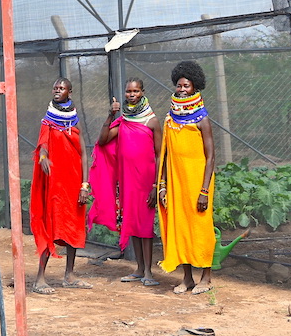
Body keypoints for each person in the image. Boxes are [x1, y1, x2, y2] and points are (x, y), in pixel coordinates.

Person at [88, 78, 163, 286]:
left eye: (136, 91)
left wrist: (156, 185)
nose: (131, 94)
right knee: (132, 224)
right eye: (129, 91)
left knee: (145, 226)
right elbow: (102, 140)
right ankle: (139, 269)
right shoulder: (123, 121)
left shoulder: (152, 121)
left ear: (142, 92)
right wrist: (111, 115)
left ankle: (149, 271)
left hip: (147, 182)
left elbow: (159, 155)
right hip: (128, 181)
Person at [156, 60, 216, 294]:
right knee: (180, 228)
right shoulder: (170, 118)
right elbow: (164, 155)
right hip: (176, 182)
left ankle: (206, 278)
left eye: (187, 86)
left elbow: (211, 157)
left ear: (195, 88)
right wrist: (162, 186)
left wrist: (204, 191)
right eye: (179, 85)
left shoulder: (202, 119)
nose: (182, 89)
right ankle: (188, 278)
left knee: (200, 227)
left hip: (197, 183)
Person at [30, 77, 92, 294]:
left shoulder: (74, 122)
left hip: (74, 184)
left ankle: (70, 275)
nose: (57, 90)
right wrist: (43, 158)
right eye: (55, 87)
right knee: (50, 225)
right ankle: (39, 279)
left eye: (61, 88)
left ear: (70, 92)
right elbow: (43, 146)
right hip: (55, 185)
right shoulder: (47, 121)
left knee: (74, 225)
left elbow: (84, 154)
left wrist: (85, 185)